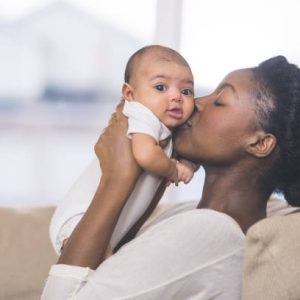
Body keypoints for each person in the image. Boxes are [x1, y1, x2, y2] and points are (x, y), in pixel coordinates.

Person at [42, 56, 300, 299]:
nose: (196, 102)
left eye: (219, 101)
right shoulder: (190, 215)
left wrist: (116, 179)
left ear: (260, 143)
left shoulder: (212, 232)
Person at [50, 45, 196, 254]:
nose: (176, 97)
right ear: (130, 93)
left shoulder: (166, 128)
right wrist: (174, 170)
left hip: (112, 225)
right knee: (103, 273)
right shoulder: (141, 115)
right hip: (79, 219)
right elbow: (145, 155)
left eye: (186, 91)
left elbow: (189, 152)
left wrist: (189, 164)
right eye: (161, 87)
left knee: (104, 273)